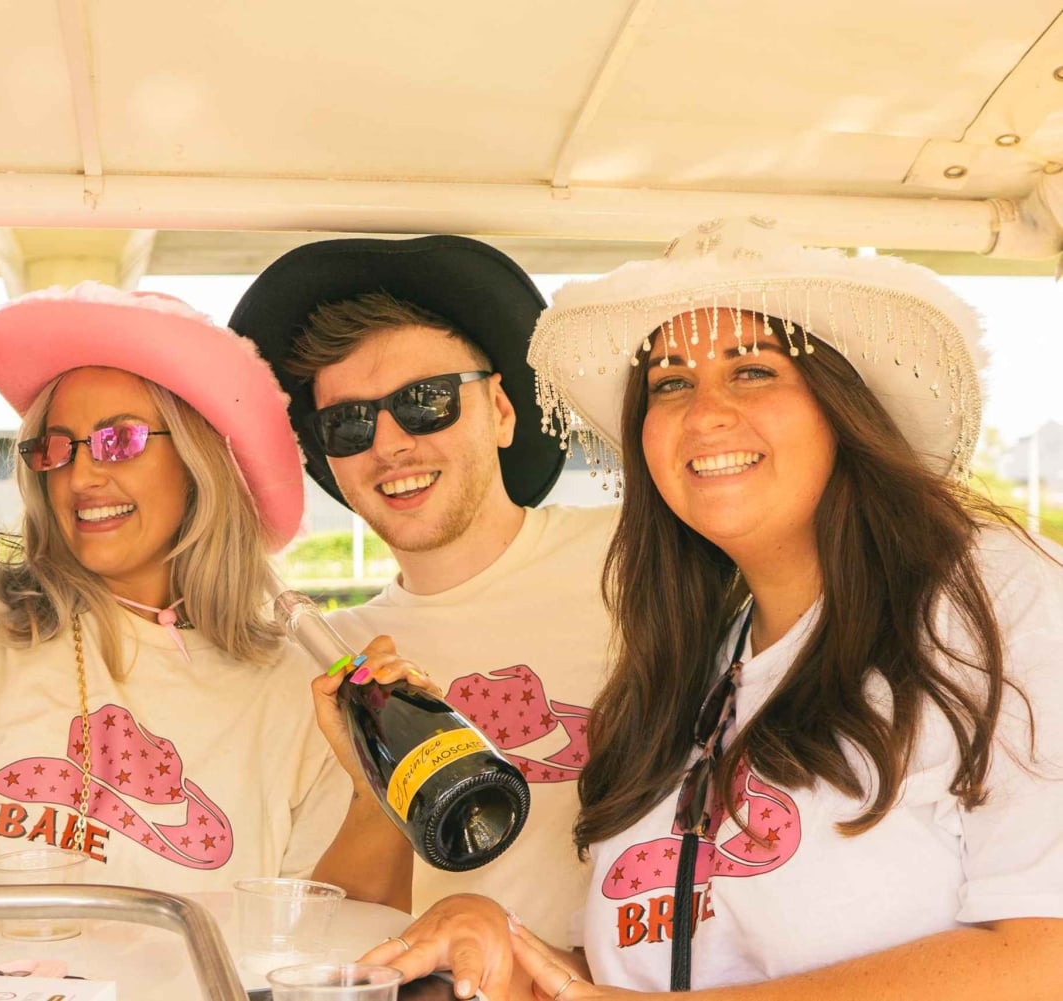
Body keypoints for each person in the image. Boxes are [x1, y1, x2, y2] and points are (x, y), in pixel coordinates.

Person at [369, 217, 1063, 999]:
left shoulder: (993, 598)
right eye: (669, 383)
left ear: (844, 405)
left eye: (753, 371)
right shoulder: (689, 667)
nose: (704, 414)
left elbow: (1044, 957)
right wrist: (504, 944)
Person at [0, 282, 353, 893]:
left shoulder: (296, 690)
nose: (82, 475)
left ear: (200, 459)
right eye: (56, 448)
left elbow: (318, 940)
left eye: (120, 440)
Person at [231, 236, 619, 945]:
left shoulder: (636, 564)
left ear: (501, 410)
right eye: (347, 424)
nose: (389, 444)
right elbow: (342, 934)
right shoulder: (327, 661)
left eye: (425, 401)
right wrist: (369, 788)